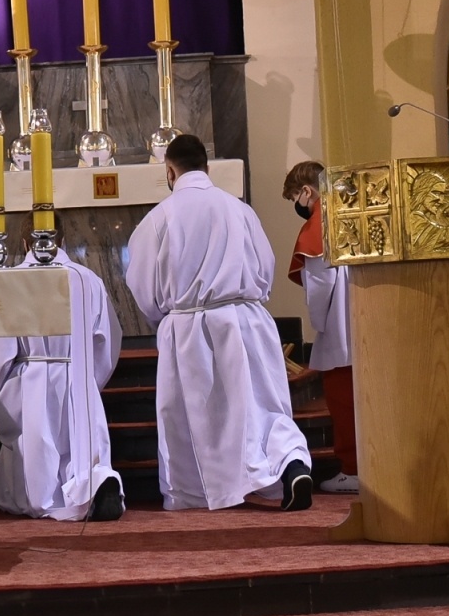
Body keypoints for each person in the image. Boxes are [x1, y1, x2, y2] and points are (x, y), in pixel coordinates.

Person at [127, 135, 315, 511]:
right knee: (262, 405)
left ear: (169, 170)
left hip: (190, 327)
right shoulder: (240, 210)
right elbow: (265, 268)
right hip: (247, 318)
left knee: (202, 418)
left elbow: (143, 286)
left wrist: (167, 317)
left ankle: (199, 492)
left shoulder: (158, 219)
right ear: (207, 167)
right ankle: (291, 462)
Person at [0, 243, 124, 521]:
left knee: (36, 459)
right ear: (62, 241)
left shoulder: (9, 282)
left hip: (32, 378)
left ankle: (47, 499)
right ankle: (96, 483)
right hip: (77, 372)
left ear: (25, 244)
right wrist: (89, 381)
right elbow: (106, 341)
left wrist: (6, 389)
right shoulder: (86, 278)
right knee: (82, 448)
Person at [283, 161, 359, 494]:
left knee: (343, 401)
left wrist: (319, 328)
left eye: (295, 198)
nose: (298, 206)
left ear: (307, 191)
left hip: (341, 327)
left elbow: (320, 285)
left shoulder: (318, 226)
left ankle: (354, 469)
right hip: (368, 320)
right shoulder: (353, 213)